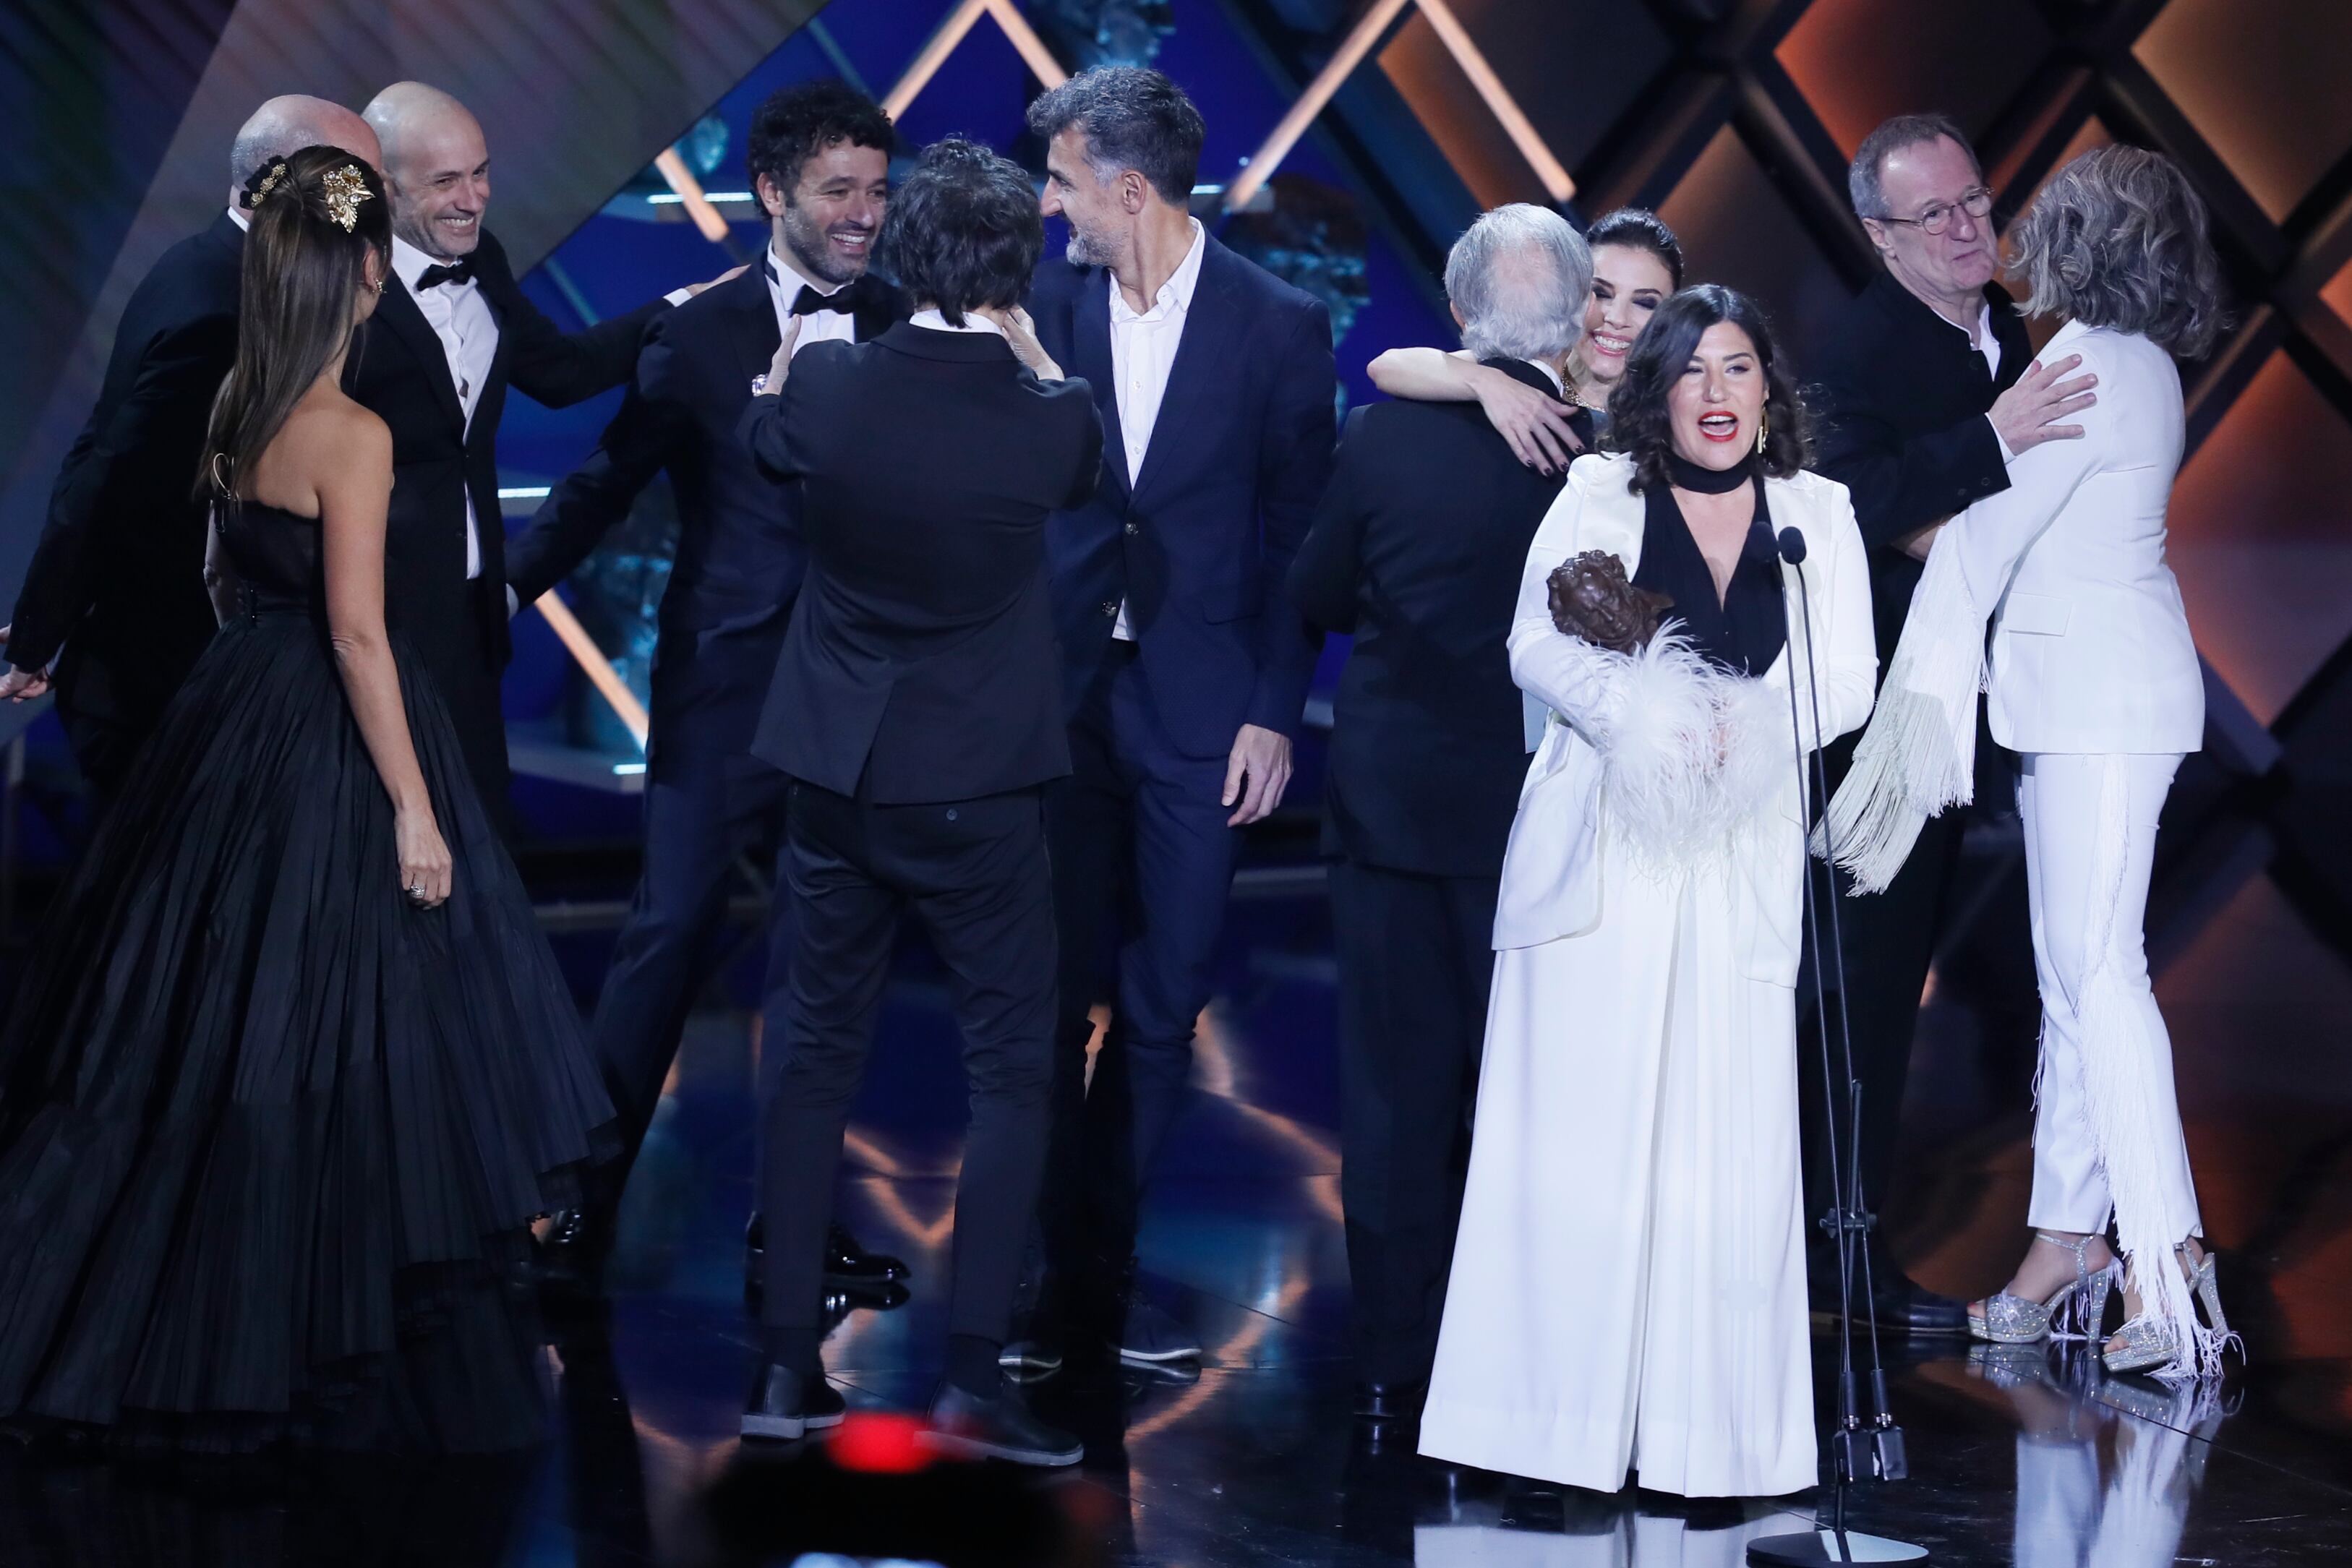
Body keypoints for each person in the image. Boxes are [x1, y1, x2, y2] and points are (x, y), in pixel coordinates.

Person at [0, 147, 612, 1450]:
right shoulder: (356, 431)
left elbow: (228, 579)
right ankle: (331, 1293)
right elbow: (358, 635)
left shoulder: (237, 399)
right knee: (362, 1018)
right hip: (336, 723)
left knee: (219, 1019)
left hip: (234, 712)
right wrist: (413, 804)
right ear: (365, 277)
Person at [1420, 286, 1878, 1496]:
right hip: (1607, 840)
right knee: (1573, 1147)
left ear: (1766, 390)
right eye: (1693, 371)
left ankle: (1708, 1445)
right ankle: (1539, 1441)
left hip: (1738, 849)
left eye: (1738, 368)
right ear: (1655, 391)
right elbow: (1534, 640)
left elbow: (1844, 676)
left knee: (1722, 1155)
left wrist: (1736, 729)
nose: (1718, 394)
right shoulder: (1599, 490)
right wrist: (1653, 717)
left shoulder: (1816, 515)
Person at [1825, 147, 2233, 1380]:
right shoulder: (2136, 359)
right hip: (2090, 695)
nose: (2003, 232)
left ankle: (2166, 1268)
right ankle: (2065, 1240)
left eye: (2032, 216)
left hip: (2097, 702)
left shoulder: (2081, 364)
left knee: (2100, 976)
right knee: (2072, 978)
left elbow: (1983, 543)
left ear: (2083, 239)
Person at [508, 80, 905, 1300]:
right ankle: (578, 1202)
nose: (862, 215)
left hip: (862, 690)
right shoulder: (699, 329)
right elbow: (602, 482)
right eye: (837, 191)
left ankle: (794, 1228)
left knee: (823, 963)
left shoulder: (913, 323)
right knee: (667, 930)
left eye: (877, 192)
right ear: (773, 192)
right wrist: (499, 591)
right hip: (723, 682)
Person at [736, 139, 1101, 1465]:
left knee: (813, 1055)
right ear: (1015, 274)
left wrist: (786, 377)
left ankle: (782, 1367)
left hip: (838, 773)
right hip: (980, 784)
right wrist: (1034, 347)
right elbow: (1084, 460)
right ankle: (965, 1378)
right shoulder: (1049, 413)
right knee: (1010, 1071)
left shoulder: (834, 386)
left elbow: (767, 431)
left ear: (898, 250)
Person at [1020, 64, 1337, 1370]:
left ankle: (1102, 1266)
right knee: (1043, 992)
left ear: (1127, 188)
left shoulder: (1277, 324)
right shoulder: (1042, 301)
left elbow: (1297, 538)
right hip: (1060, 699)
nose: (1050, 208)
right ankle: (1044, 1269)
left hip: (1205, 708)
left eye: (1061, 181)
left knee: (1163, 998)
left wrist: (1274, 710)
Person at [1287, 204, 1593, 1431]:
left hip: (1393, 808)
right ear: (1573, 324)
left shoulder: (1380, 440)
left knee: (1393, 1093)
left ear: (1462, 314)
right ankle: (1515, 1354)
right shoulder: (1602, 460)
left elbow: (1315, 589)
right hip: (1540, 824)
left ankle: (1389, 1358)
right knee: (1529, 1097)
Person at [1807, 113, 2100, 1334]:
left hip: (1986, 708)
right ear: (1879, 236)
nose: (1968, 227)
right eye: (1934, 214)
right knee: (1861, 999)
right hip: (1877, 723)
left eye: (1974, 200)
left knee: (1908, 991)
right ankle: (1843, 1272)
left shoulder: (2013, 331)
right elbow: (1857, 504)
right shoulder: (1853, 348)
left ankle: (1857, 1259)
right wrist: (1989, 441)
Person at [349, 82, 721, 822]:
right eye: (445, 181)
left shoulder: (480, 256)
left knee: (480, 842)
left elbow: (560, 374)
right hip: (371, 622)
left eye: (481, 173)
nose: (473, 198)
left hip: (470, 622)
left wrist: (680, 309)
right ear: (384, 189)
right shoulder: (335, 286)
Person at [0, 96, 381, 812]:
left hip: (173, 679)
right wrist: (41, 631)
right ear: (278, 177)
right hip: (171, 688)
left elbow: (103, 455)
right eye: (352, 179)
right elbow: (115, 474)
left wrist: (44, 619)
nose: (369, 202)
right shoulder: (224, 306)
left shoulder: (202, 263)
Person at [1364, 208, 1682, 473]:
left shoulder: (1673, 415)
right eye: (1600, 293)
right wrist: (1487, 384)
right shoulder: (1533, 364)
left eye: (1645, 303)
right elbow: (1387, 367)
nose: (1616, 317)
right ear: (1571, 293)